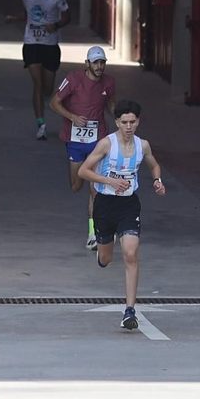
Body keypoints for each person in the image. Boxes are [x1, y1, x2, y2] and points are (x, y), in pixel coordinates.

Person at [78, 100, 165, 331]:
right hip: (105, 204)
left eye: (133, 122)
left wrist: (157, 181)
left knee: (130, 253)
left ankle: (129, 311)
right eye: (124, 122)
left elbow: (154, 165)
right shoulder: (106, 144)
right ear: (116, 122)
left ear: (138, 122)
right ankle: (103, 252)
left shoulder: (142, 145)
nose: (128, 126)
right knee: (106, 259)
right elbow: (83, 170)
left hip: (129, 205)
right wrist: (110, 181)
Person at [49, 46, 118, 249]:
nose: (99, 66)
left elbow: (110, 103)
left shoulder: (109, 82)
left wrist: (120, 117)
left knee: (95, 188)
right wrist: (72, 117)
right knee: (76, 186)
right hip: (75, 141)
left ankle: (93, 233)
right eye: (95, 62)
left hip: (99, 140)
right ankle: (94, 231)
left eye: (102, 62)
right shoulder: (73, 79)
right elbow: (54, 103)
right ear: (87, 63)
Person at [5, 0, 69, 140]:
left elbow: (66, 16)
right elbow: (28, 15)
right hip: (31, 43)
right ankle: (41, 124)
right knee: (37, 83)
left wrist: (55, 25)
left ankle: (45, 103)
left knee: (48, 90)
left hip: (50, 45)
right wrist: (14, 18)